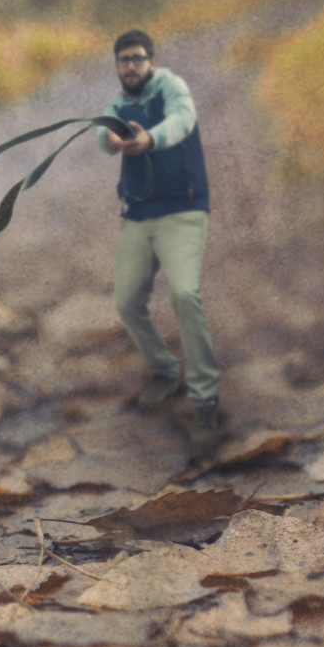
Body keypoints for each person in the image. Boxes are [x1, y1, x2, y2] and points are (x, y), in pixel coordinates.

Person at [97, 29, 221, 442]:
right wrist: (112, 136)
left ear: (151, 60)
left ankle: (206, 402)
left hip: (182, 212)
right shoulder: (118, 103)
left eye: (136, 59)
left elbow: (183, 120)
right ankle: (166, 372)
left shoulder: (171, 86)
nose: (129, 67)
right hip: (138, 216)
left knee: (185, 294)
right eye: (123, 60)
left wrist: (149, 138)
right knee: (127, 301)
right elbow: (103, 136)